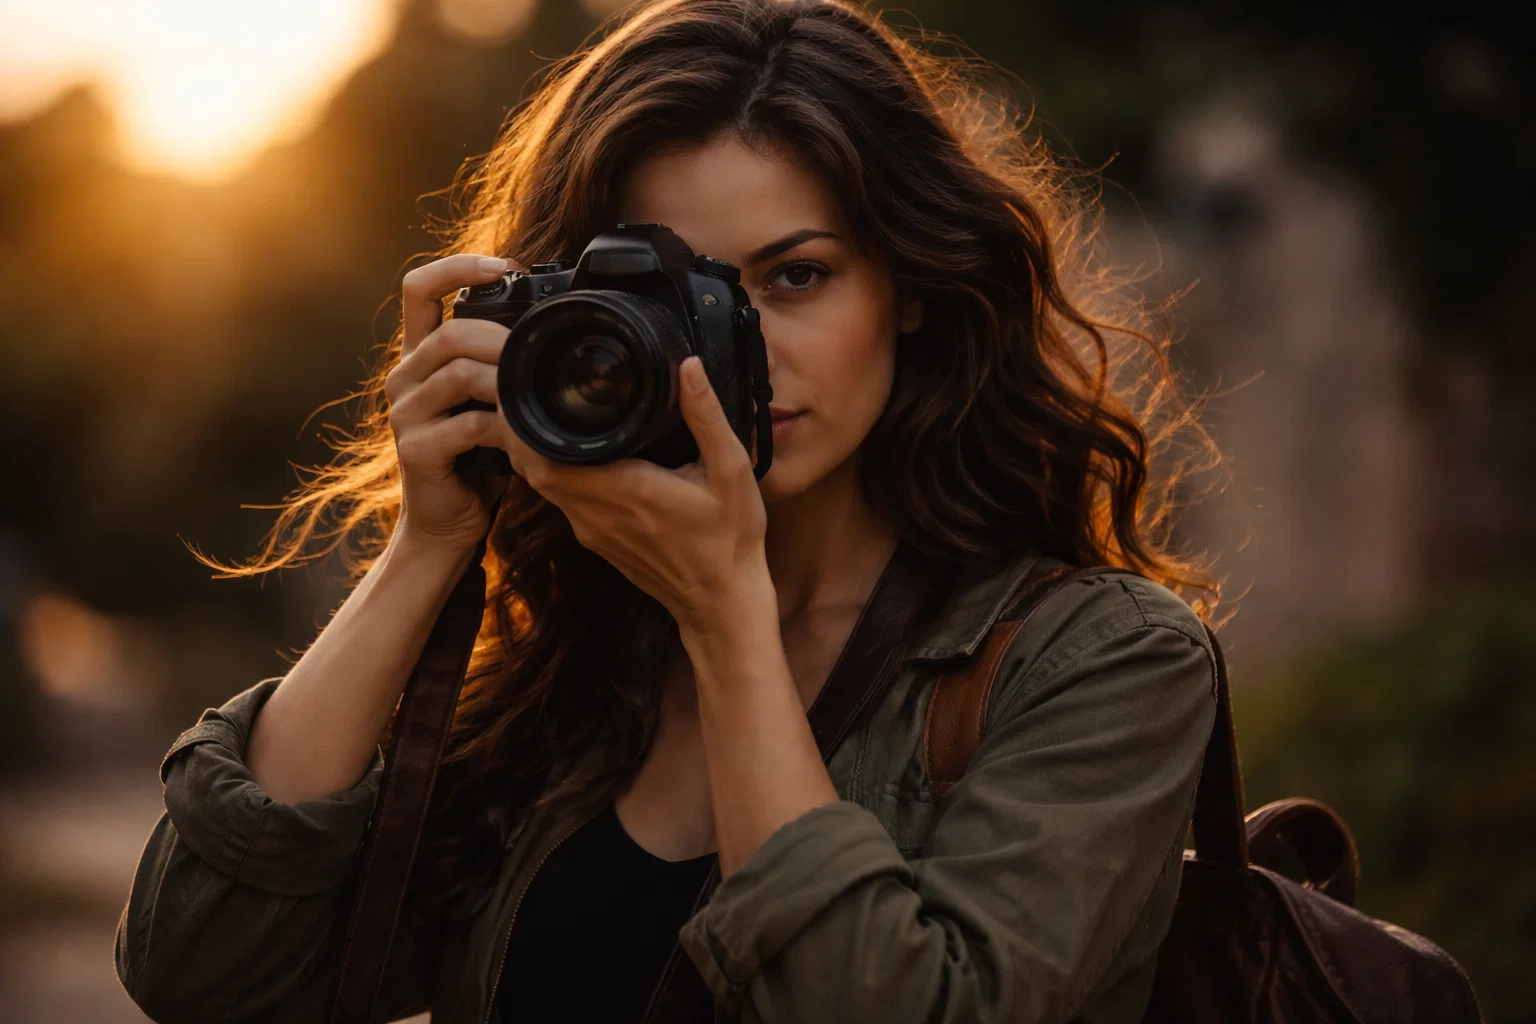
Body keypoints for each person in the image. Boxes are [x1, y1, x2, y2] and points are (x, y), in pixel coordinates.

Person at [115, 1, 1225, 1021]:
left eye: (796, 277)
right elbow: (200, 972)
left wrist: (727, 620)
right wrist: (428, 543)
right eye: (677, 296)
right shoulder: (574, 665)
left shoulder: (1098, 662)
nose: (738, 348)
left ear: (914, 286)